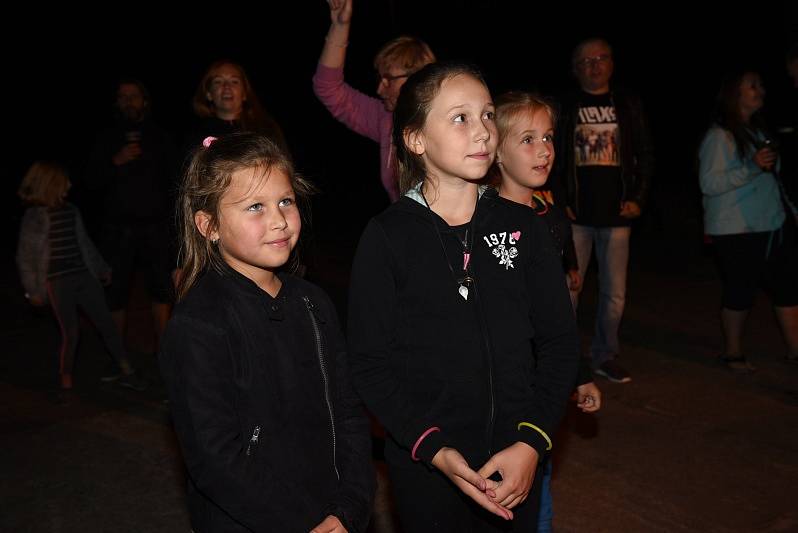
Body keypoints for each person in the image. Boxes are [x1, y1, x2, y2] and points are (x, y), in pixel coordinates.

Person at [347, 61, 579, 531]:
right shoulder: (388, 237)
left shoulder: (524, 228)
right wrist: (433, 449)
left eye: (488, 115)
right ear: (415, 139)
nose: (483, 132)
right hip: (428, 466)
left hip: (515, 463)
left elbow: (560, 343)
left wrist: (532, 443)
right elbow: (369, 364)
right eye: (460, 118)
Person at [159, 133, 375, 532]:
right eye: (255, 207)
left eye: (285, 201)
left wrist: (350, 508)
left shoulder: (314, 304)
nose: (278, 220)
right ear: (209, 226)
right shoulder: (198, 326)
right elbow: (215, 461)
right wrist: (306, 523)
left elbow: (348, 415)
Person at [491, 90, 602, 532]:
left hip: (545, 376)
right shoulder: (484, 219)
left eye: (549, 137)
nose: (544, 150)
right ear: (496, 150)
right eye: (528, 139)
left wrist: (580, 371)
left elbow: (557, 317)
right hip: (504, 378)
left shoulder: (550, 215)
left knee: (540, 484)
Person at [556, 37, 655, 384]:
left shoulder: (626, 103)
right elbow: (552, 158)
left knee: (614, 294)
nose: (594, 65)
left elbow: (644, 151)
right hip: (576, 218)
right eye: (586, 60)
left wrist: (639, 198)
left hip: (617, 215)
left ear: (612, 63)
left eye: (601, 58)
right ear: (575, 68)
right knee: (568, 290)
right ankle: (565, 360)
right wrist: (560, 198)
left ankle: (604, 355)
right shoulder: (565, 106)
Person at [698, 69, 798, 371]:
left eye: (761, 85)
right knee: (740, 291)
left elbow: (773, 179)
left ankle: (795, 350)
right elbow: (709, 184)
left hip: (771, 224)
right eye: (752, 86)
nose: (761, 91)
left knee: (788, 288)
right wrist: (752, 167)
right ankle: (733, 353)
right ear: (735, 94)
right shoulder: (719, 136)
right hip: (736, 229)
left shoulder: (758, 131)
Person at [16, 161, 145, 392]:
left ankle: (127, 369)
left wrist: (101, 268)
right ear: (51, 185)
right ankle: (66, 379)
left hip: (83, 276)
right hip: (58, 281)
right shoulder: (34, 217)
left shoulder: (71, 210)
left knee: (106, 323)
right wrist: (33, 291)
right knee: (71, 331)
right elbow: (26, 258)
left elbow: (84, 244)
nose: (69, 184)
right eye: (64, 181)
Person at [85, 78, 177, 362]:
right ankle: (118, 358)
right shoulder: (106, 137)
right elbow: (89, 182)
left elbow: (174, 179)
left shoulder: (160, 136)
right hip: (117, 228)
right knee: (115, 292)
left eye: (133, 96)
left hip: (156, 226)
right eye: (123, 97)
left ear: (144, 101)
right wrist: (116, 161)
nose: (128, 101)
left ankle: (165, 355)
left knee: (162, 290)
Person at [313, 0, 435, 202]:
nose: (379, 89)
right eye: (379, 79)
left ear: (417, 78)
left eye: (389, 80)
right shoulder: (386, 117)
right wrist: (340, 26)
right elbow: (328, 88)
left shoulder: (446, 121)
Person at [186, 60, 287, 151]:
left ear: (244, 94)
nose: (226, 86)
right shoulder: (197, 134)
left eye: (234, 81)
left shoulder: (266, 129)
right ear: (208, 94)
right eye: (218, 81)